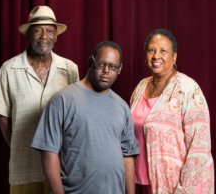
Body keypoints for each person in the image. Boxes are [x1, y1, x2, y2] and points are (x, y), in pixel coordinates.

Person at [0, 5, 79, 194]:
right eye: (37, 31)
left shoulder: (70, 69)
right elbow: (2, 116)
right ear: (28, 35)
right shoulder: (9, 69)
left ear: (56, 36)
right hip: (23, 166)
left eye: (49, 31)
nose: (44, 36)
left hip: (61, 165)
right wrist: (18, 144)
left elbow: (76, 115)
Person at [31, 41, 139, 194]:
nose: (106, 71)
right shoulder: (62, 100)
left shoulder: (122, 107)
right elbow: (48, 152)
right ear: (91, 62)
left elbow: (127, 155)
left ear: (120, 69)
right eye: (101, 64)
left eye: (113, 67)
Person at [130, 28, 214, 193]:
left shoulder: (188, 88)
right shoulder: (141, 86)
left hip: (176, 185)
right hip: (143, 182)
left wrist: (183, 189)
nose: (156, 56)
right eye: (151, 50)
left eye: (163, 51)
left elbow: (200, 146)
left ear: (174, 56)